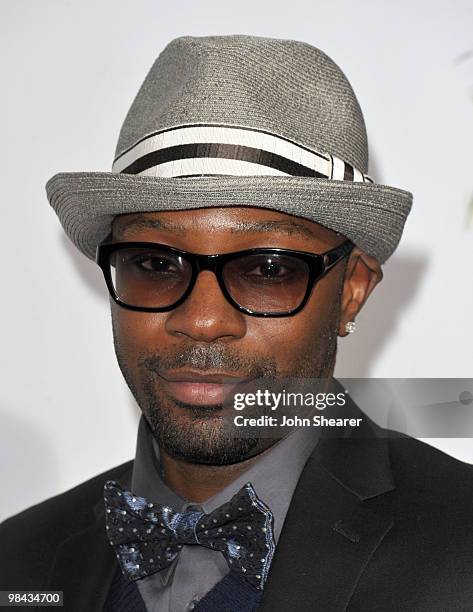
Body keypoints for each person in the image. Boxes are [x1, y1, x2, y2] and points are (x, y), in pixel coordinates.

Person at [1, 34, 472, 612]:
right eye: (155, 264)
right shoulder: (19, 563)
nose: (201, 321)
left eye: (267, 269)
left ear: (352, 292)